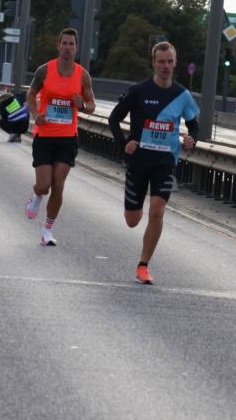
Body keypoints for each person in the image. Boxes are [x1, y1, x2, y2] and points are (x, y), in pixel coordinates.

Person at [108, 40, 199, 285]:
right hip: (138, 161)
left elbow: (194, 126)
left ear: (175, 63)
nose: (166, 66)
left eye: (170, 61)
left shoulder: (182, 95)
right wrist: (123, 143)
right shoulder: (139, 91)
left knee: (157, 211)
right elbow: (114, 118)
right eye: (161, 61)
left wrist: (192, 139)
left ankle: (143, 265)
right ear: (154, 63)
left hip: (165, 161)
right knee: (132, 220)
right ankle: (135, 225)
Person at [25, 27, 96, 246]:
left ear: (76, 48)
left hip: (67, 137)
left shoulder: (82, 75)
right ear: (58, 45)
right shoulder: (45, 71)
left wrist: (81, 105)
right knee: (44, 184)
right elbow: (30, 95)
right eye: (64, 43)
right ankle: (36, 196)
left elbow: (92, 105)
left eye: (71, 44)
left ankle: (47, 230)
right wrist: (36, 114)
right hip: (45, 135)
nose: (67, 47)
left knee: (59, 184)